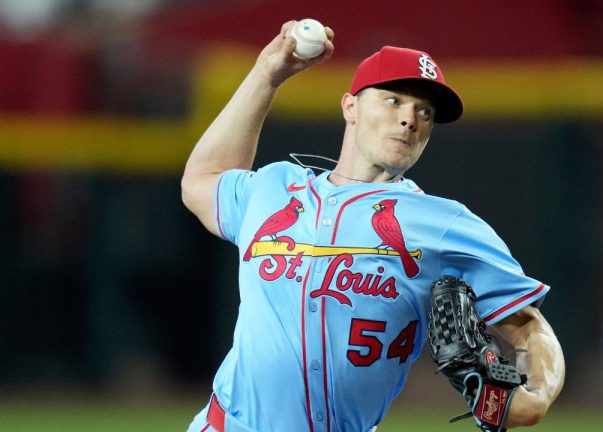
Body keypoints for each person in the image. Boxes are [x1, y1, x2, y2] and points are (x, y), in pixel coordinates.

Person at [181, 20, 565, 432]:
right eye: (394, 100)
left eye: (424, 111)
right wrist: (266, 75)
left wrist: (535, 397)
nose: (409, 119)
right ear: (351, 106)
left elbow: (527, 326)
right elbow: (202, 180)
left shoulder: (445, 224)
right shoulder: (275, 189)